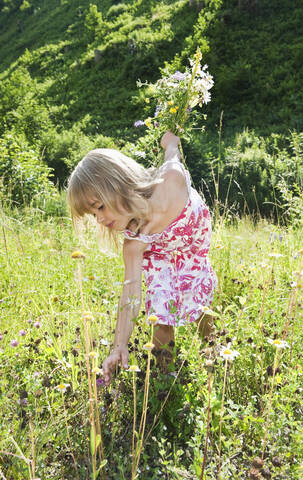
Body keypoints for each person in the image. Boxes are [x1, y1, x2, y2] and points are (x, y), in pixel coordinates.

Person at [67, 131, 217, 386]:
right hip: (159, 254)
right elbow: (131, 293)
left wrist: (170, 141)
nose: (100, 220)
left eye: (100, 207)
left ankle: (214, 356)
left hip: (192, 245)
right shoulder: (134, 243)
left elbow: (172, 156)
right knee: (161, 314)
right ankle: (164, 382)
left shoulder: (171, 180)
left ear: (119, 184)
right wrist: (119, 345)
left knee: (202, 301)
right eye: (94, 215)